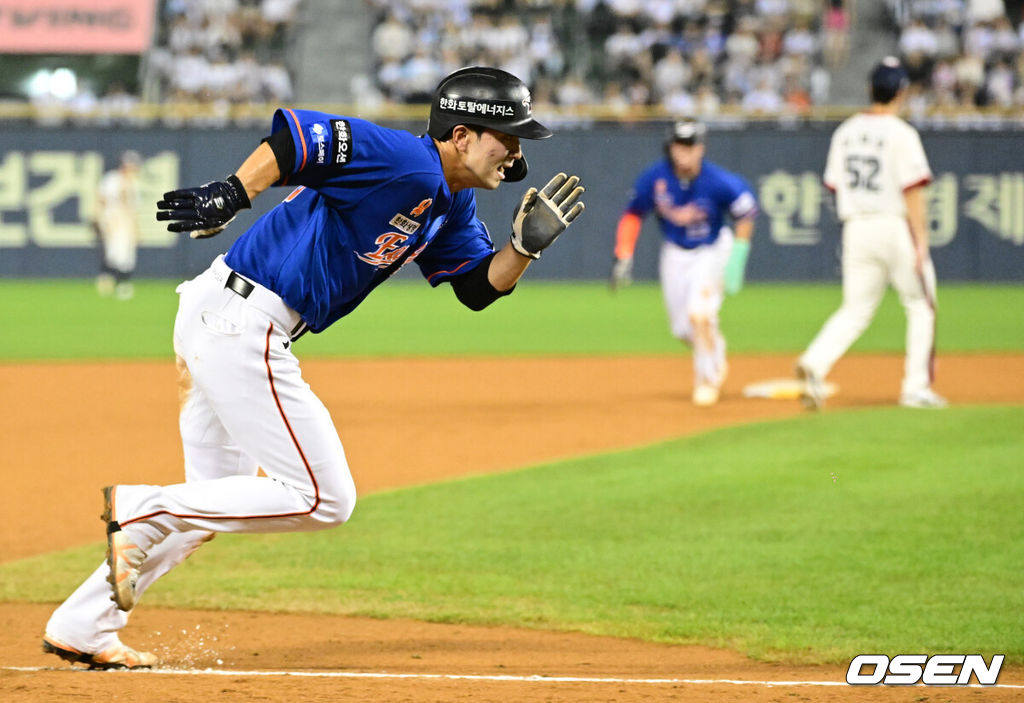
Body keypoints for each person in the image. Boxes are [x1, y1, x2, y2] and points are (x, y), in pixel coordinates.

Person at [42, 66, 586, 670]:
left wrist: (523, 250)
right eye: (506, 137)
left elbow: (477, 290)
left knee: (208, 505)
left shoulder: (452, 202)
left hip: (226, 314)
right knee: (325, 497)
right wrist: (232, 191)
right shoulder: (404, 160)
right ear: (461, 136)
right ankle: (141, 505)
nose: (515, 153)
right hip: (245, 320)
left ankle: (82, 623)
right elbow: (299, 140)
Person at [796, 57, 946, 410]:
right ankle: (915, 387)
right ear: (903, 92)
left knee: (855, 309)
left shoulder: (846, 130)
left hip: (856, 227)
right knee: (922, 305)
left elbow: (833, 184)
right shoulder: (901, 133)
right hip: (894, 225)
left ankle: (815, 362)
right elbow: (913, 191)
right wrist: (921, 240)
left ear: (870, 89)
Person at [610, 118, 758, 407]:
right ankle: (715, 352)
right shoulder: (656, 178)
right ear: (670, 147)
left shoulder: (718, 181)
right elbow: (633, 214)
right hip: (675, 254)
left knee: (700, 314)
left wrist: (737, 258)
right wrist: (624, 252)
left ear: (701, 148)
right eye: (679, 145)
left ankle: (707, 380)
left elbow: (747, 212)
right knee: (682, 329)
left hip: (711, 250)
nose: (684, 152)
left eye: (690, 146)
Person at [95, 150, 143, 300]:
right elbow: (100, 200)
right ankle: (109, 281)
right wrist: (99, 219)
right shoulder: (112, 180)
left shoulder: (134, 185)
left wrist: (136, 229)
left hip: (126, 223)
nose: (133, 169)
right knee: (115, 254)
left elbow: (134, 210)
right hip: (112, 221)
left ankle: (122, 284)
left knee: (126, 256)